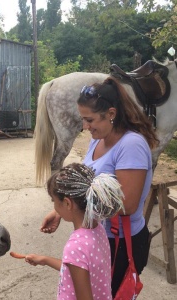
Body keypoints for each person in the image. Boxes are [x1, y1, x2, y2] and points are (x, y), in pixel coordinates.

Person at [41, 77, 158, 298]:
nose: (85, 127)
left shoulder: (131, 145)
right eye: (83, 120)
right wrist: (59, 210)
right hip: (103, 237)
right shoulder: (98, 139)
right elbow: (87, 187)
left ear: (111, 114)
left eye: (90, 120)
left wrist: (73, 209)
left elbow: (128, 204)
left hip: (123, 243)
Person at [25, 163, 125, 299]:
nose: (54, 206)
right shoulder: (98, 228)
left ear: (67, 203)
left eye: (53, 200)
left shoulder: (76, 246)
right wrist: (45, 260)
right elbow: (78, 269)